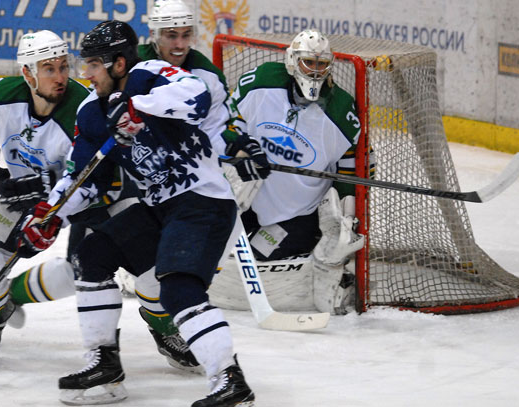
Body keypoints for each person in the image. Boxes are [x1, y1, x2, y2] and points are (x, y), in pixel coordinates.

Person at [20, 20, 255, 406]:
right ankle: (105, 366)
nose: (86, 74)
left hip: (202, 201)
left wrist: (138, 106)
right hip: (159, 207)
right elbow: (84, 176)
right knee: (91, 256)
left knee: (178, 288)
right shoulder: (91, 112)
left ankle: (230, 382)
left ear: (118, 64)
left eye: (93, 65)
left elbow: (196, 96)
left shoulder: (149, 74)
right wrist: (52, 214)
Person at [129, 0, 264, 374]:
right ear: (154, 34)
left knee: (209, 249)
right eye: (171, 35)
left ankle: (173, 314)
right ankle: (160, 327)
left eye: (186, 35)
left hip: (190, 183)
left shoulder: (206, 74)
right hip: (143, 181)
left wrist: (240, 148)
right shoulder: (131, 66)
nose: (179, 44)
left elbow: (219, 128)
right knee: (142, 273)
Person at [0, 30, 94, 361]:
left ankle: (10, 297)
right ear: (28, 73)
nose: (60, 77)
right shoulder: (3, 96)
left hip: (81, 195)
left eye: (63, 67)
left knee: (85, 269)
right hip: (24, 191)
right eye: (49, 69)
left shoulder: (82, 109)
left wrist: (47, 215)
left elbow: (85, 175)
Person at [223, 29, 369, 314]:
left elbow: (354, 169)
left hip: (297, 215)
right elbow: (227, 123)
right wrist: (239, 154)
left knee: (257, 260)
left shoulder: (341, 111)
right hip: (248, 198)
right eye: (308, 62)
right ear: (292, 61)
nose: (314, 71)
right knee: (211, 246)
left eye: (321, 64)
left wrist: (346, 217)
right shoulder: (262, 82)